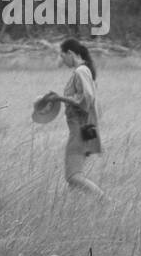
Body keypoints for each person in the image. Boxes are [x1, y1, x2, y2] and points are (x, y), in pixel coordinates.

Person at [40, 38, 108, 200]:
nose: (62, 61)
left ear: (70, 53)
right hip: (87, 127)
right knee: (74, 178)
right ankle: (70, 211)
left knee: (73, 176)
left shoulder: (80, 71)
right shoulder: (85, 70)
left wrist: (60, 99)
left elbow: (87, 98)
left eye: (62, 56)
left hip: (80, 129)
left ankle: (106, 201)